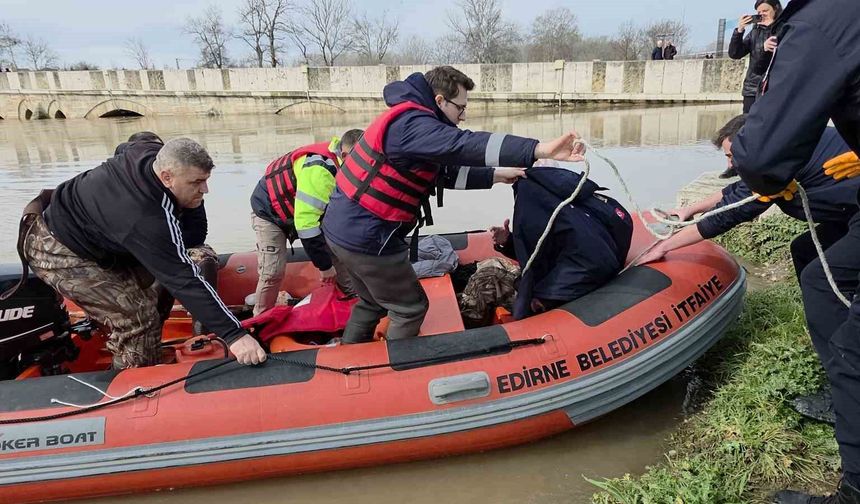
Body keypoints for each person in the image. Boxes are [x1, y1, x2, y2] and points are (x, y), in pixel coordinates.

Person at [322, 65, 585, 344]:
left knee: (372, 302)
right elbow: (463, 145)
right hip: (368, 238)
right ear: (439, 101)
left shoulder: (412, 121)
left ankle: (352, 356)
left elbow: (444, 173)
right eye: (460, 108)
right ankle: (392, 372)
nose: (463, 116)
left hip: (342, 230)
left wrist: (497, 175)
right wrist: (539, 149)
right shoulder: (412, 125)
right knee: (410, 308)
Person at [728, 0, 860, 500]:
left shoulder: (822, 21)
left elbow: (760, 160)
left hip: (846, 201)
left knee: (854, 354)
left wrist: (753, 168)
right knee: (812, 258)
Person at [20, 138, 266, 368]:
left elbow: (125, 148)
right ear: (167, 176)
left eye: (205, 180)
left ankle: (148, 350)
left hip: (94, 233)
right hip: (57, 249)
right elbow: (182, 278)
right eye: (195, 183)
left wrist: (190, 202)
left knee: (153, 294)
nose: (205, 189)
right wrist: (235, 335)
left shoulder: (149, 153)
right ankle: (135, 383)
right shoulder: (147, 219)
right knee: (137, 318)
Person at [637, 115, 860, 284]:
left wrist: (664, 247)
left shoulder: (776, 164)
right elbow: (738, 192)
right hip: (849, 211)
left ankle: (840, 328)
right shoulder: (783, 143)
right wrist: (690, 209)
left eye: (732, 157)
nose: (729, 165)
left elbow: (728, 215)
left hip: (854, 211)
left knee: (817, 278)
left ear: (749, 146)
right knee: (804, 250)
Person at [490, 164, 633, 319]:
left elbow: (535, 261)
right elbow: (546, 247)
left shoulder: (533, 202)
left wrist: (543, 299)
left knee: (488, 276)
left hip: (575, 282)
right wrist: (509, 241)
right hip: (593, 269)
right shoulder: (582, 202)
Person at [249, 130, 363, 316]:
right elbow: (307, 226)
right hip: (270, 212)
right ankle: (260, 318)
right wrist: (324, 267)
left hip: (302, 211)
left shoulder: (345, 165)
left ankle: (352, 299)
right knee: (272, 272)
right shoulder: (321, 172)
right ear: (345, 155)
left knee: (339, 249)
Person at [115, 132, 219, 332]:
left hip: (175, 245)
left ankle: (202, 327)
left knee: (202, 259)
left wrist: (168, 245)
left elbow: (198, 231)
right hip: (131, 254)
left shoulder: (187, 188)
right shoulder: (124, 190)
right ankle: (148, 327)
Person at [729, 0, 783, 123]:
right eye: (759, 12)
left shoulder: (784, 28)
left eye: (765, 11)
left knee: (772, 124)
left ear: (775, 9)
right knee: (748, 125)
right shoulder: (755, 30)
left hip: (774, 87)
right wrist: (739, 30)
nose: (762, 14)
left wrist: (771, 29)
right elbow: (735, 53)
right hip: (752, 88)